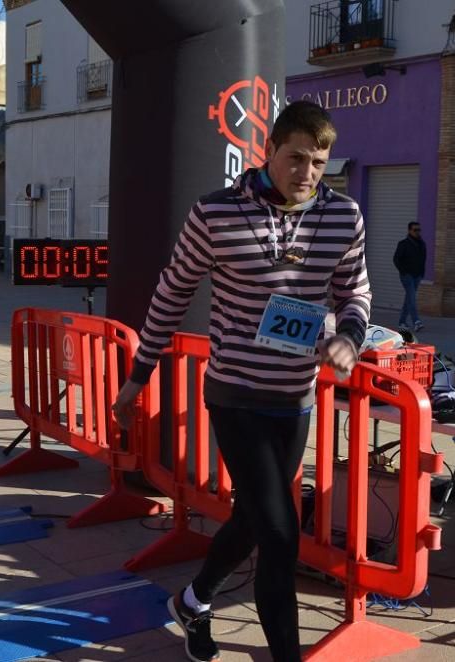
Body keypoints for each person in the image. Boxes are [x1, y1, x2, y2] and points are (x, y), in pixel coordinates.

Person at [111, 100, 371, 662]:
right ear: (269, 151)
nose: (306, 173)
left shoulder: (343, 216)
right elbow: (172, 291)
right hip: (235, 394)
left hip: (294, 397)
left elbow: (356, 292)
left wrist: (350, 335)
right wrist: (139, 372)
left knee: (257, 517)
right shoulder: (215, 213)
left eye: (319, 162)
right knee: (280, 534)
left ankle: (194, 599)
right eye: (296, 158)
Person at [392, 221, 425, 332]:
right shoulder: (403, 244)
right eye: (415, 230)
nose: (417, 232)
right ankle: (416, 321)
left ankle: (402, 322)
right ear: (409, 231)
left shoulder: (422, 244)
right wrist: (403, 271)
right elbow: (396, 259)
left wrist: (421, 273)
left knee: (409, 298)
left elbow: (423, 260)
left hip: (417, 275)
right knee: (412, 297)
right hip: (407, 276)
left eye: (419, 230)